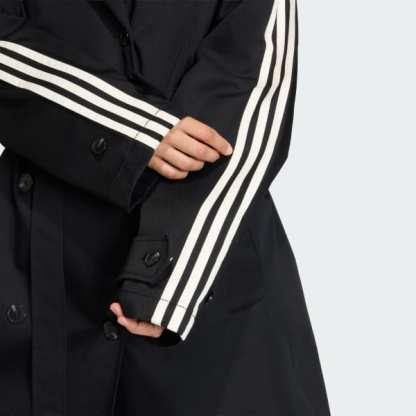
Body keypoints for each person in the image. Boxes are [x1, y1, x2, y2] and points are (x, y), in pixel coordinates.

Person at [0, 0, 331, 415]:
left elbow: (252, 88)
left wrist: (169, 282)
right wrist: (135, 129)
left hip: (209, 270)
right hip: (46, 270)